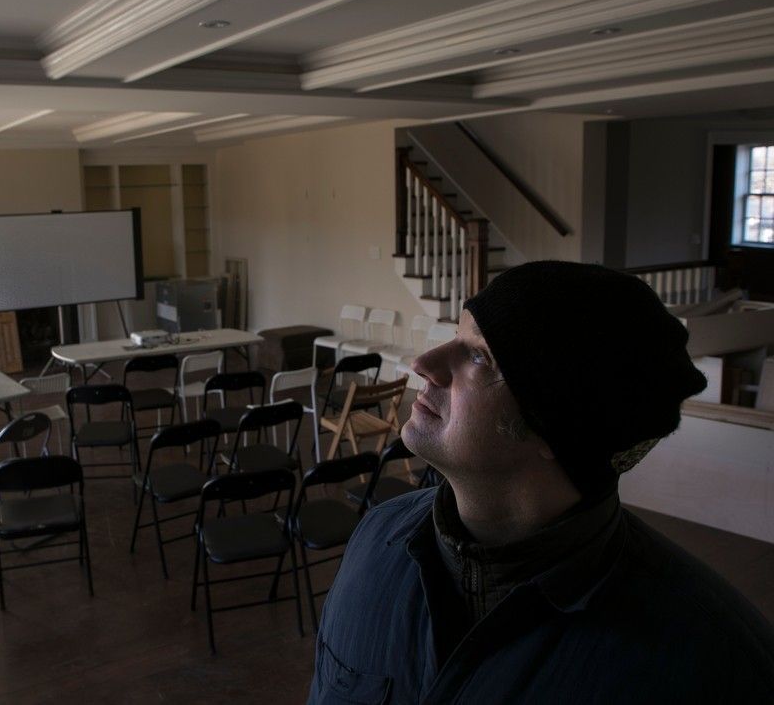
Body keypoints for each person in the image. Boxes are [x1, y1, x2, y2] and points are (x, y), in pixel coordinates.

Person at [308, 261, 774, 704]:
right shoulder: (374, 540)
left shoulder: (708, 665)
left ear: (555, 427)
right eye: (456, 336)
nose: (423, 363)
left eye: (478, 356)